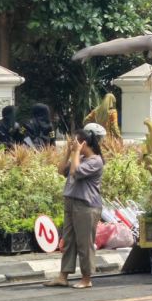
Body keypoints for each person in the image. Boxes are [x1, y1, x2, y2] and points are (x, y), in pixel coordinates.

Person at [45, 123, 106, 290]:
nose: (72, 144)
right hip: (71, 202)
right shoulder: (80, 158)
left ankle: (87, 278)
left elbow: (75, 172)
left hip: (86, 205)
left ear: (84, 143)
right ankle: (63, 276)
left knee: (84, 242)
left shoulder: (96, 161)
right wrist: (68, 153)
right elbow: (61, 170)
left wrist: (76, 152)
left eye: (75, 142)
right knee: (68, 240)